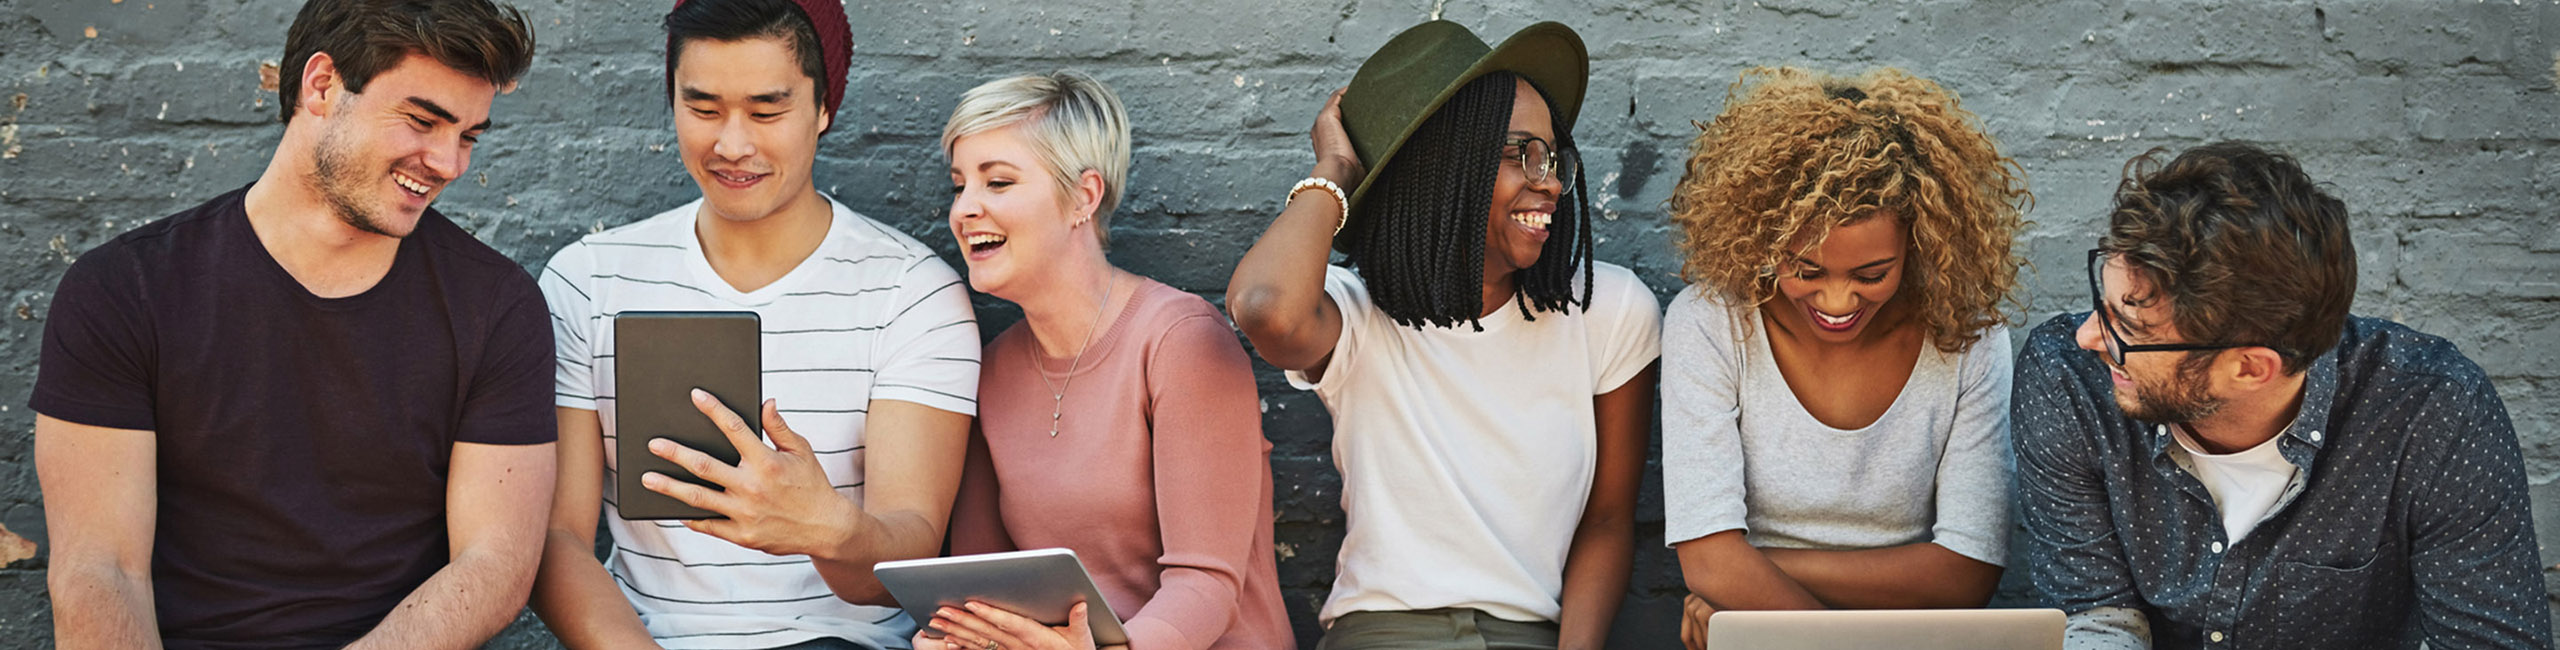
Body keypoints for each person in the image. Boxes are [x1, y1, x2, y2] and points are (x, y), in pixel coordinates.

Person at [32, 1, 547, 647]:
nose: (449, 163)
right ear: (322, 85)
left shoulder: (495, 306)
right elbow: (99, 571)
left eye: (468, 136)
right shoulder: (124, 290)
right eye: (423, 121)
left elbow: (494, 565)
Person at [528, 0, 979, 647]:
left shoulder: (910, 291)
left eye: (767, 111)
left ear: (824, 108)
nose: (732, 145)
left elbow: (907, 555)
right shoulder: (588, 281)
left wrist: (826, 526)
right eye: (703, 108)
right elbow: (558, 536)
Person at [2013, 141, 2552, 649]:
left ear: (2250, 368)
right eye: (2101, 302)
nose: (2088, 336)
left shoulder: (2432, 415)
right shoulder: (2069, 380)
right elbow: (2100, 618)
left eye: (2130, 328)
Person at [1226, 21, 1659, 650]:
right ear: (1448, 166)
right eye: (1522, 154)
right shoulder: (1356, 315)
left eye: (1552, 157)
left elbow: (1609, 521)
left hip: (1530, 638)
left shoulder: (1609, 311)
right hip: (1382, 634)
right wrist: (1336, 168)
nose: (1550, 182)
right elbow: (1266, 309)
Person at [908, 71, 1295, 650]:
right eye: (960, 186)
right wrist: (961, 637)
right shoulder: (990, 370)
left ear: (1083, 197)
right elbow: (984, 584)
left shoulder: (1180, 341)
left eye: (998, 182)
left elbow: (1206, 586)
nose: (964, 210)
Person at [1656, 67, 2030, 648]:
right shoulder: (1713, 324)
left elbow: (1966, 574)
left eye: (1871, 275)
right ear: (1766, 240)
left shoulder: (1968, 337)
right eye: (1806, 270)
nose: (1836, 302)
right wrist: (1723, 571)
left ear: (1918, 243)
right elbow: (1707, 563)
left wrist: (1746, 572)